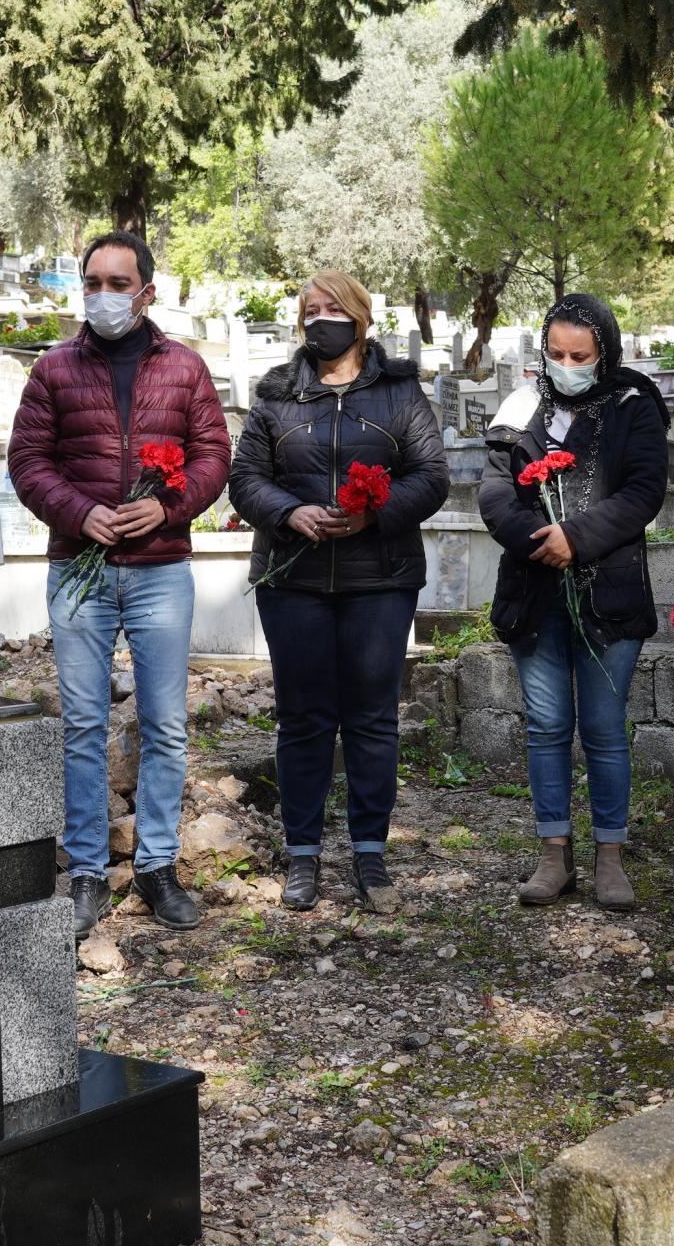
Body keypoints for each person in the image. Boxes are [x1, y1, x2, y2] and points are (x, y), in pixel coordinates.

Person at [7, 231, 231, 942]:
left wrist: (169, 506)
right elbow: (28, 461)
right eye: (93, 282)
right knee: (82, 723)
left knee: (164, 722)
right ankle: (86, 871)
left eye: (117, 283)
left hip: (161, 568)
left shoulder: (185, 369)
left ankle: (157, 866)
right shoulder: (53, 369)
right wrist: (80, 512)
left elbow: (213, 455)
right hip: (81, 568)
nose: (102, 295)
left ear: (147, 293)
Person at [229, 270, 450, 914]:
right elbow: (246, 478)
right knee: (303, 718)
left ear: (361, 317)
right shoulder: (277, 395)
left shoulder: (400, 393)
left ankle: (370, 854)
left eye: (333, 308)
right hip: (293, 578)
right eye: (310, 310)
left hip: (378, 577)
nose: (320, 319)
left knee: (372, 718)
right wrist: (289, 512)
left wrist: (372, 514)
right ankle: (302, 854)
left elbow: (430, 476)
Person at [478, 294, 671, 912]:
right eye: (556, 354)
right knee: (546, 726)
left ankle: (610, 856)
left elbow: (644, 491)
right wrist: (542, 540)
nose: (566, 366)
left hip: (608, 592)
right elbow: (494, 492)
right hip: (535, 591)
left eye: (580, 356)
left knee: (604, 728)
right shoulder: (521, 406)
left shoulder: (633, 404)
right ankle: (553, 853)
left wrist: (577, 538)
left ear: (604, 353)